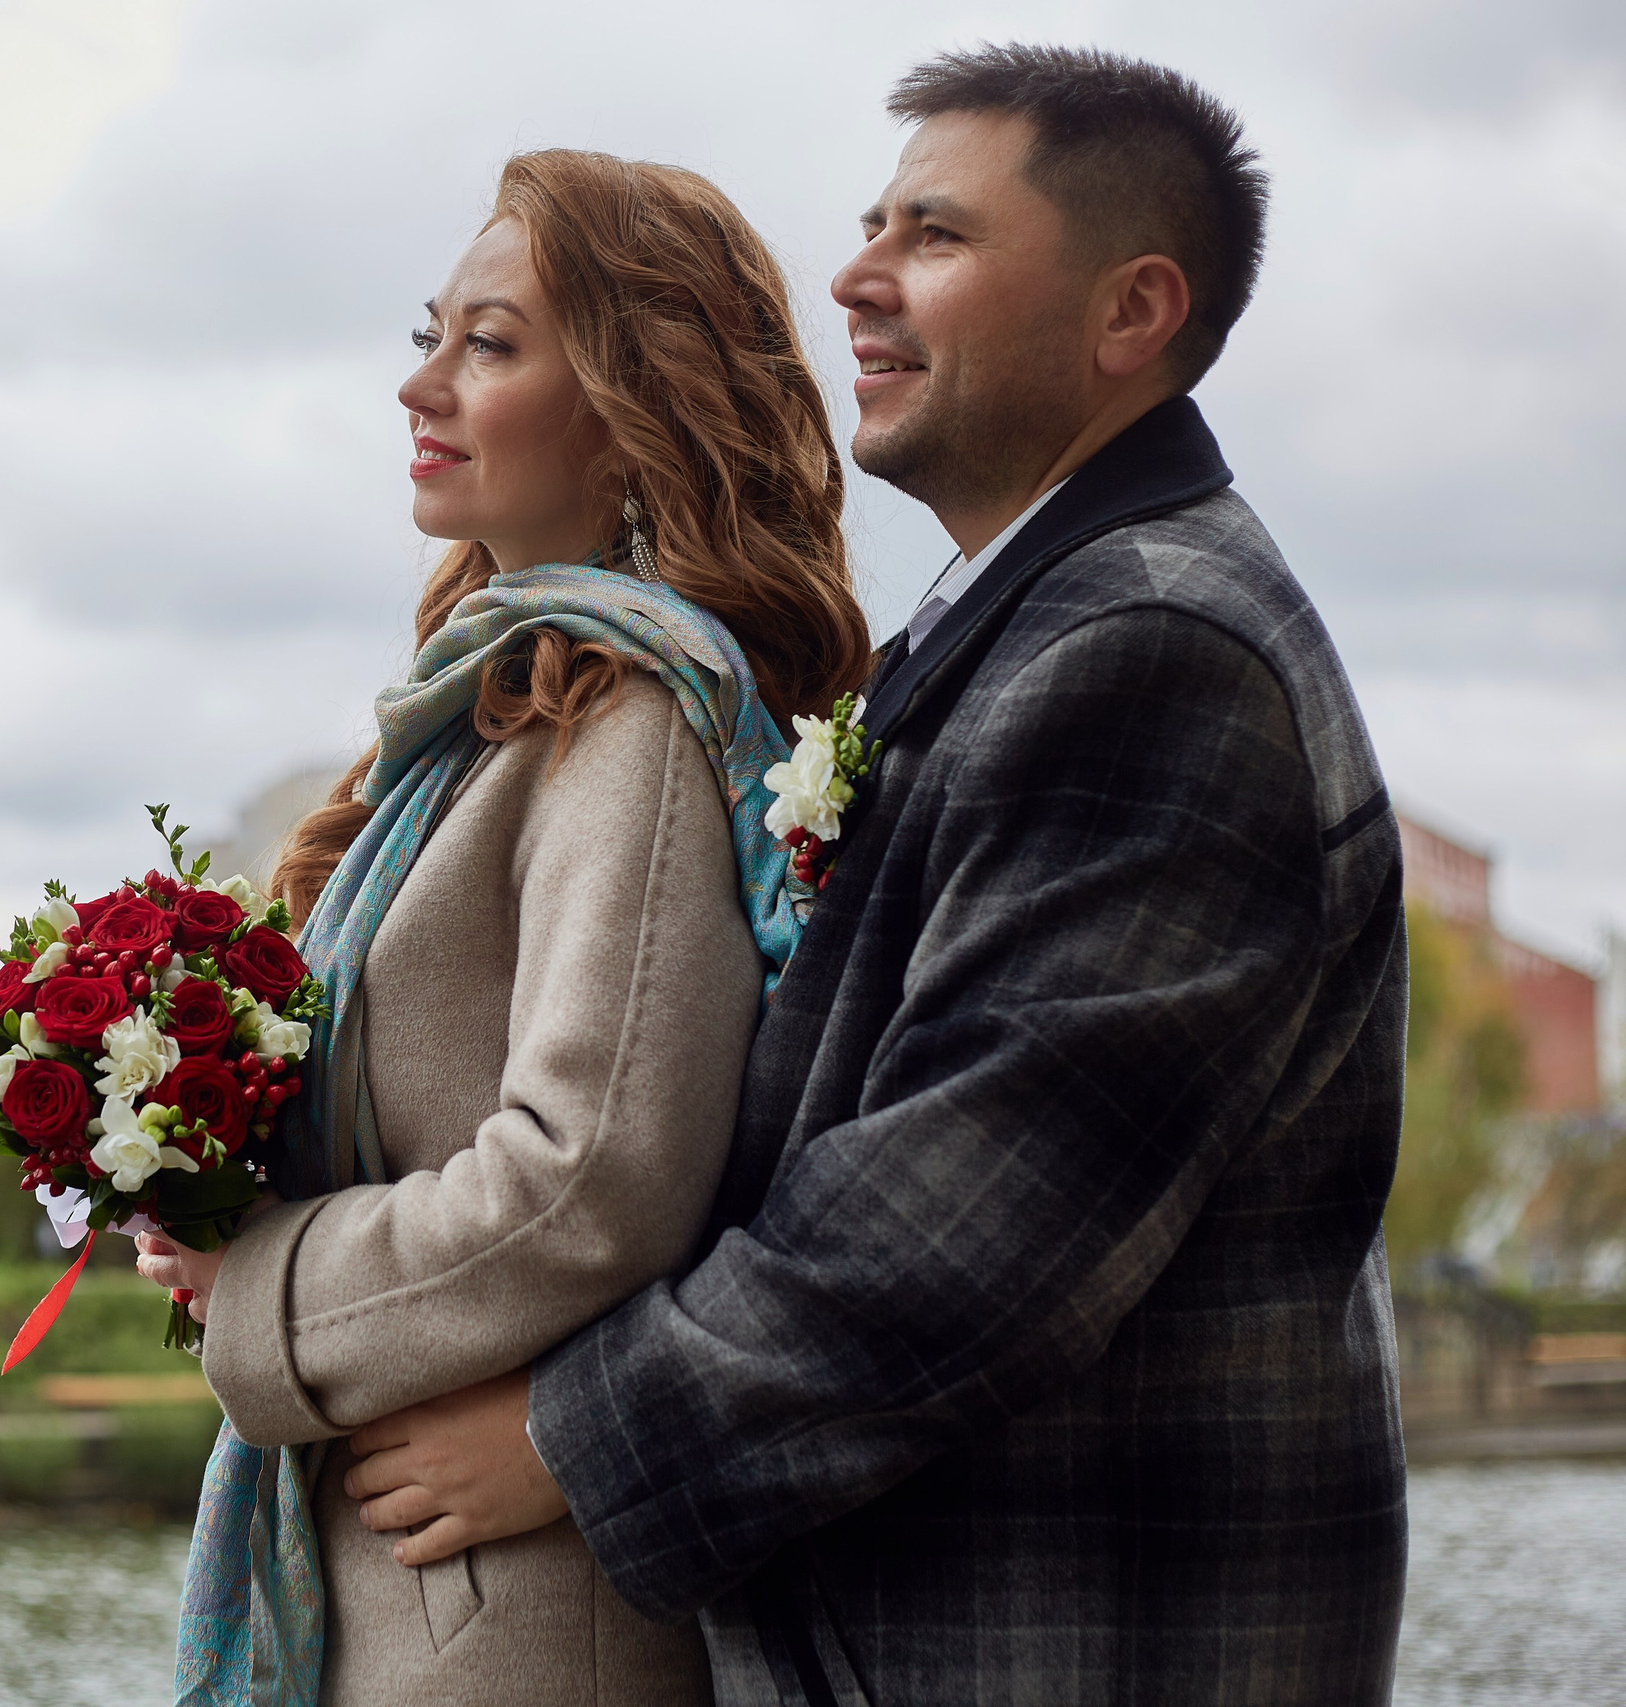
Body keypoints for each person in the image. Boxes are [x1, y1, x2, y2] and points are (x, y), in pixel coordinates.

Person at [340, 44, 1411, 1706]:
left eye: (935, 236)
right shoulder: (1018, 622)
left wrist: (567, 1433)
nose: (854, 275)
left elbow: (961, 1222)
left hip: (1077, 1645)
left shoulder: (1156, 648)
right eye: (871, 224)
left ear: (1131, 312)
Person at [133, 150, 868, 1705]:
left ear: (634, 401)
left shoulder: (639, 733)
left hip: (514, 1621)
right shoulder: (497, 716)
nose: (421, 383)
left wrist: (259, 1285)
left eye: (490, 344)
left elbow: (588, 1178)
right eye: (431, 330)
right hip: (415, 1572)